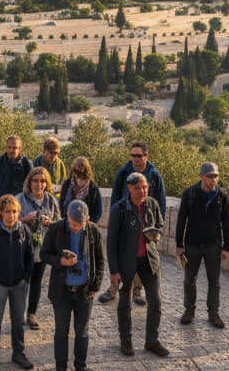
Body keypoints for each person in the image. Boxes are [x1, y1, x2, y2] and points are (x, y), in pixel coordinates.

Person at [42, 199, 105, 371]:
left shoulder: (93, 231)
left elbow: (100, 260)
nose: (77, 228)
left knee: (82, 332)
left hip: (84, 291)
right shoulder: (56, 229)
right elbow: (44, 254)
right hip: (62, 291)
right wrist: (62, 262)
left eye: (80, 225)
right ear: (67, 217)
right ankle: (60, 370)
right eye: (73, 224)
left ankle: (81, 369)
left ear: (87, 220)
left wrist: (95, 286)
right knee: (61, 332)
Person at [107, 172, 168, 358]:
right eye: (138, 188)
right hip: (127, 262)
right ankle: (125, 339)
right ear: (129, 188)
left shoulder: (152, 204)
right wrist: (114, 271)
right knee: (125, 302)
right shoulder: (119, 209)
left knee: (156, 301)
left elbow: (160, 224)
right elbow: (111, 242)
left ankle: (152, 340)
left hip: (149, 261)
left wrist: (155, 232)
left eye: (145, 188)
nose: (142, 191)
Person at [103, 141, 166, 306]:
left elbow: (161, 203)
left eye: (139, 155)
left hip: (146, 227)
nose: (135, 159)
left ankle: (136, 292)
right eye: (133, 155)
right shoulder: (124, 173)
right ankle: (114, 287)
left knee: (142, 258)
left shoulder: (154, 175)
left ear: (146, 156)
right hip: (124, 223)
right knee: (121, 257)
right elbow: (115, 198)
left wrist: (158, 227)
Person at [0, 194, 34, 371]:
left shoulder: (24, 231)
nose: (11, 215)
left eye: (14, 212)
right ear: (0, 213)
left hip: (19, 284)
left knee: (18, 322)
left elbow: (30, 257)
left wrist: (26, 277)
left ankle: (18, 353)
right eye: (7, 212)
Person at [175, 162, 229, 329]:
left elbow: (226, 222)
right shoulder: (190, 193)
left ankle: (213, 313)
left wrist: (226, 246)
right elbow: (181, 220)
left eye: (215, 176)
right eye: (209, 176)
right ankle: (189, 311)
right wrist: (179, 244)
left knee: (214, 281)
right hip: (192, 244)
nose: (213, 180)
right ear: (201, 177)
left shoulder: (222, 196)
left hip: (213, 245)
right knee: (189, 279)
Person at [17, 166, 61, 330]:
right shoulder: (20, 199)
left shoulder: (50, 200)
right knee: (21, 281)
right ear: (29, 182)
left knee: (36, 281)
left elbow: (60, 223)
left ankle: (31, 314)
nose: (39, 184)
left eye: (42, 181)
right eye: (35, 181)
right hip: (22, 248)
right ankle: (17, 312)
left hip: (42, 248)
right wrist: (24, 219)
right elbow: (9, 222)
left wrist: (51, 223)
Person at [60, 156, 103, 224]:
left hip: (85, 225)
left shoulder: (92, 187)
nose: (77, 175)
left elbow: (98, 211)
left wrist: (88, 224)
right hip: (67, 224)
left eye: (80, 172)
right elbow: (61, 204)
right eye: (75, 171)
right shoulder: (67, 184)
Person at [0, 135, 31, 204]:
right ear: (6, 147)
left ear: (19, 148)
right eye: (9, 147)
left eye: (15, 148)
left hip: (21, 203)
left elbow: (31, 185)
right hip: (3, 202)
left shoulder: (26, 163)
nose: (12, 150)